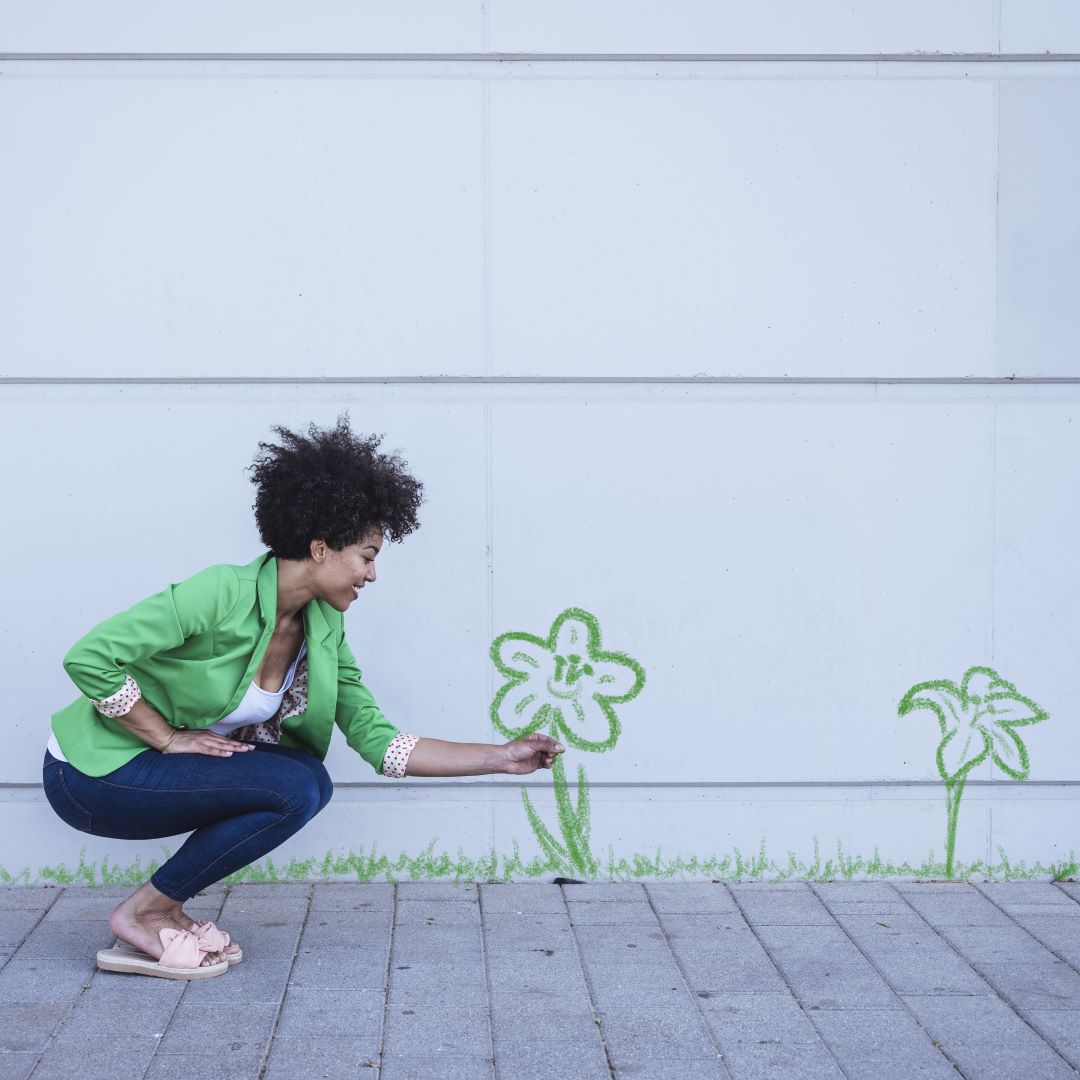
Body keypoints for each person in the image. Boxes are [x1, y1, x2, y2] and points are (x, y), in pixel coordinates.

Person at [43, 416, 564, 980]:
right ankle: (143, 913)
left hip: (152, 778)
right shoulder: (221, 592)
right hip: (90, 777)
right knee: (294, 783)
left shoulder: (324, 631)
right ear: (320, 547)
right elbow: (89, 657)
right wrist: (165, 736)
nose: (372, 574)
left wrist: (500, 758)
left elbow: (379, 741)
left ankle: (160, 906)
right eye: (367, 555)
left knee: (304, 778)